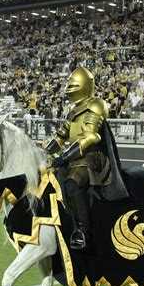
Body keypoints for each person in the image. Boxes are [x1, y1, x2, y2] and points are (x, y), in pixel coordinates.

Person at [45, 66, 110, 250]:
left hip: (93, 158)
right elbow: (61, 136)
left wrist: (65, 156)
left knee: (72, 183)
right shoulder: (74, 110)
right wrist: (45, 153)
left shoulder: (96, 104)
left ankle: (81, 230)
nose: (70, 88)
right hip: (75, 157)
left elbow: (90, 136)